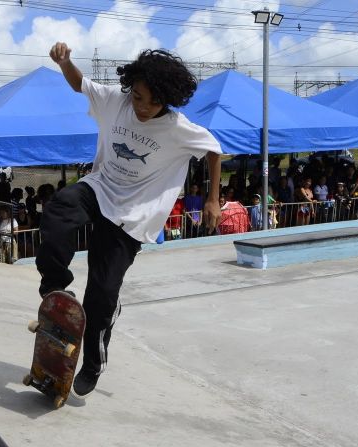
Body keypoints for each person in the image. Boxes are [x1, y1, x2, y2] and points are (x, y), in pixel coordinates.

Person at [39, 42, 222, 398]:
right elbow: (80, 85)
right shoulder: (115, 101)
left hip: (132, 216)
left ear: (165, 101)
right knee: (60, 207)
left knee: (101, 297)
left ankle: (92, 362)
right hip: (100, 188)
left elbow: (214, 150)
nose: (142, 107)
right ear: (130, 87)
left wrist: (214, 199)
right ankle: (55, 285)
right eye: (137, 97)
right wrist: (65, 62)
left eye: (152, 103)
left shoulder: (177, 127)